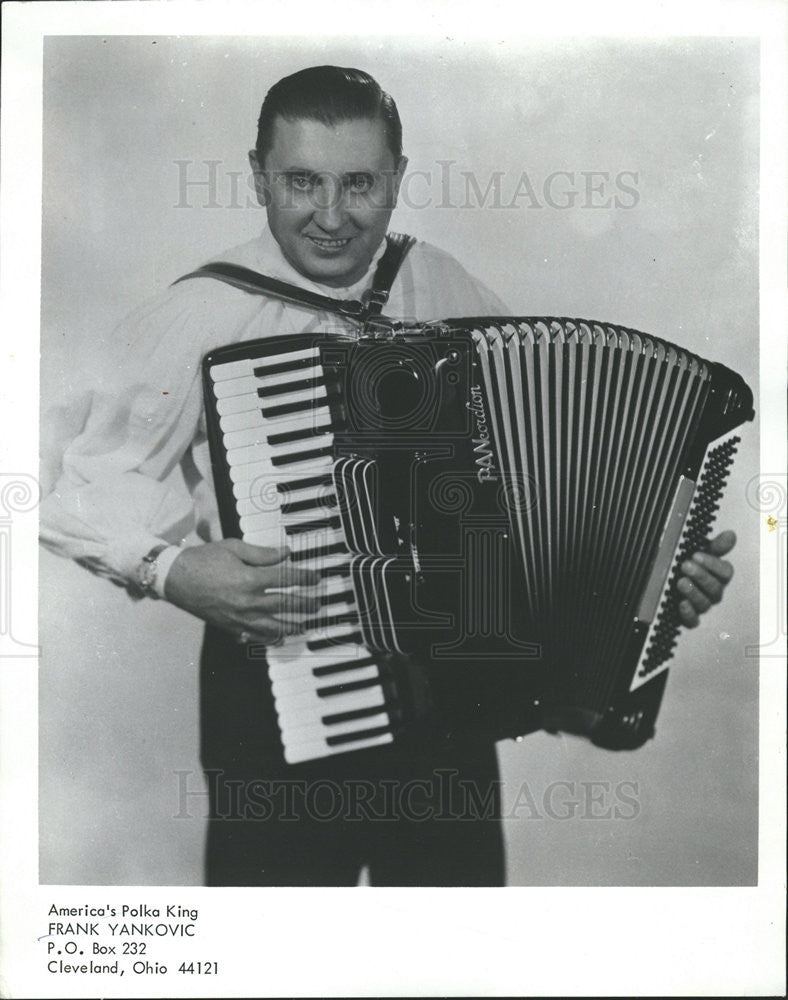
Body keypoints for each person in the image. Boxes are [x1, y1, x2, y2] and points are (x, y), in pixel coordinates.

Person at [40, 66, 737, 886]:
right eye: (302, 180)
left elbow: (533, 502)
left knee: (452, 957)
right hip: (275, 694)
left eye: (359, 184)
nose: (330, 216)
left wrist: (652, 578)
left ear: (397, 181)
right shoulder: (200, 312)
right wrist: (172, 569)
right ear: (259, 174)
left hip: (448, 716)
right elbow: (66, 484)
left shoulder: (445, 288)